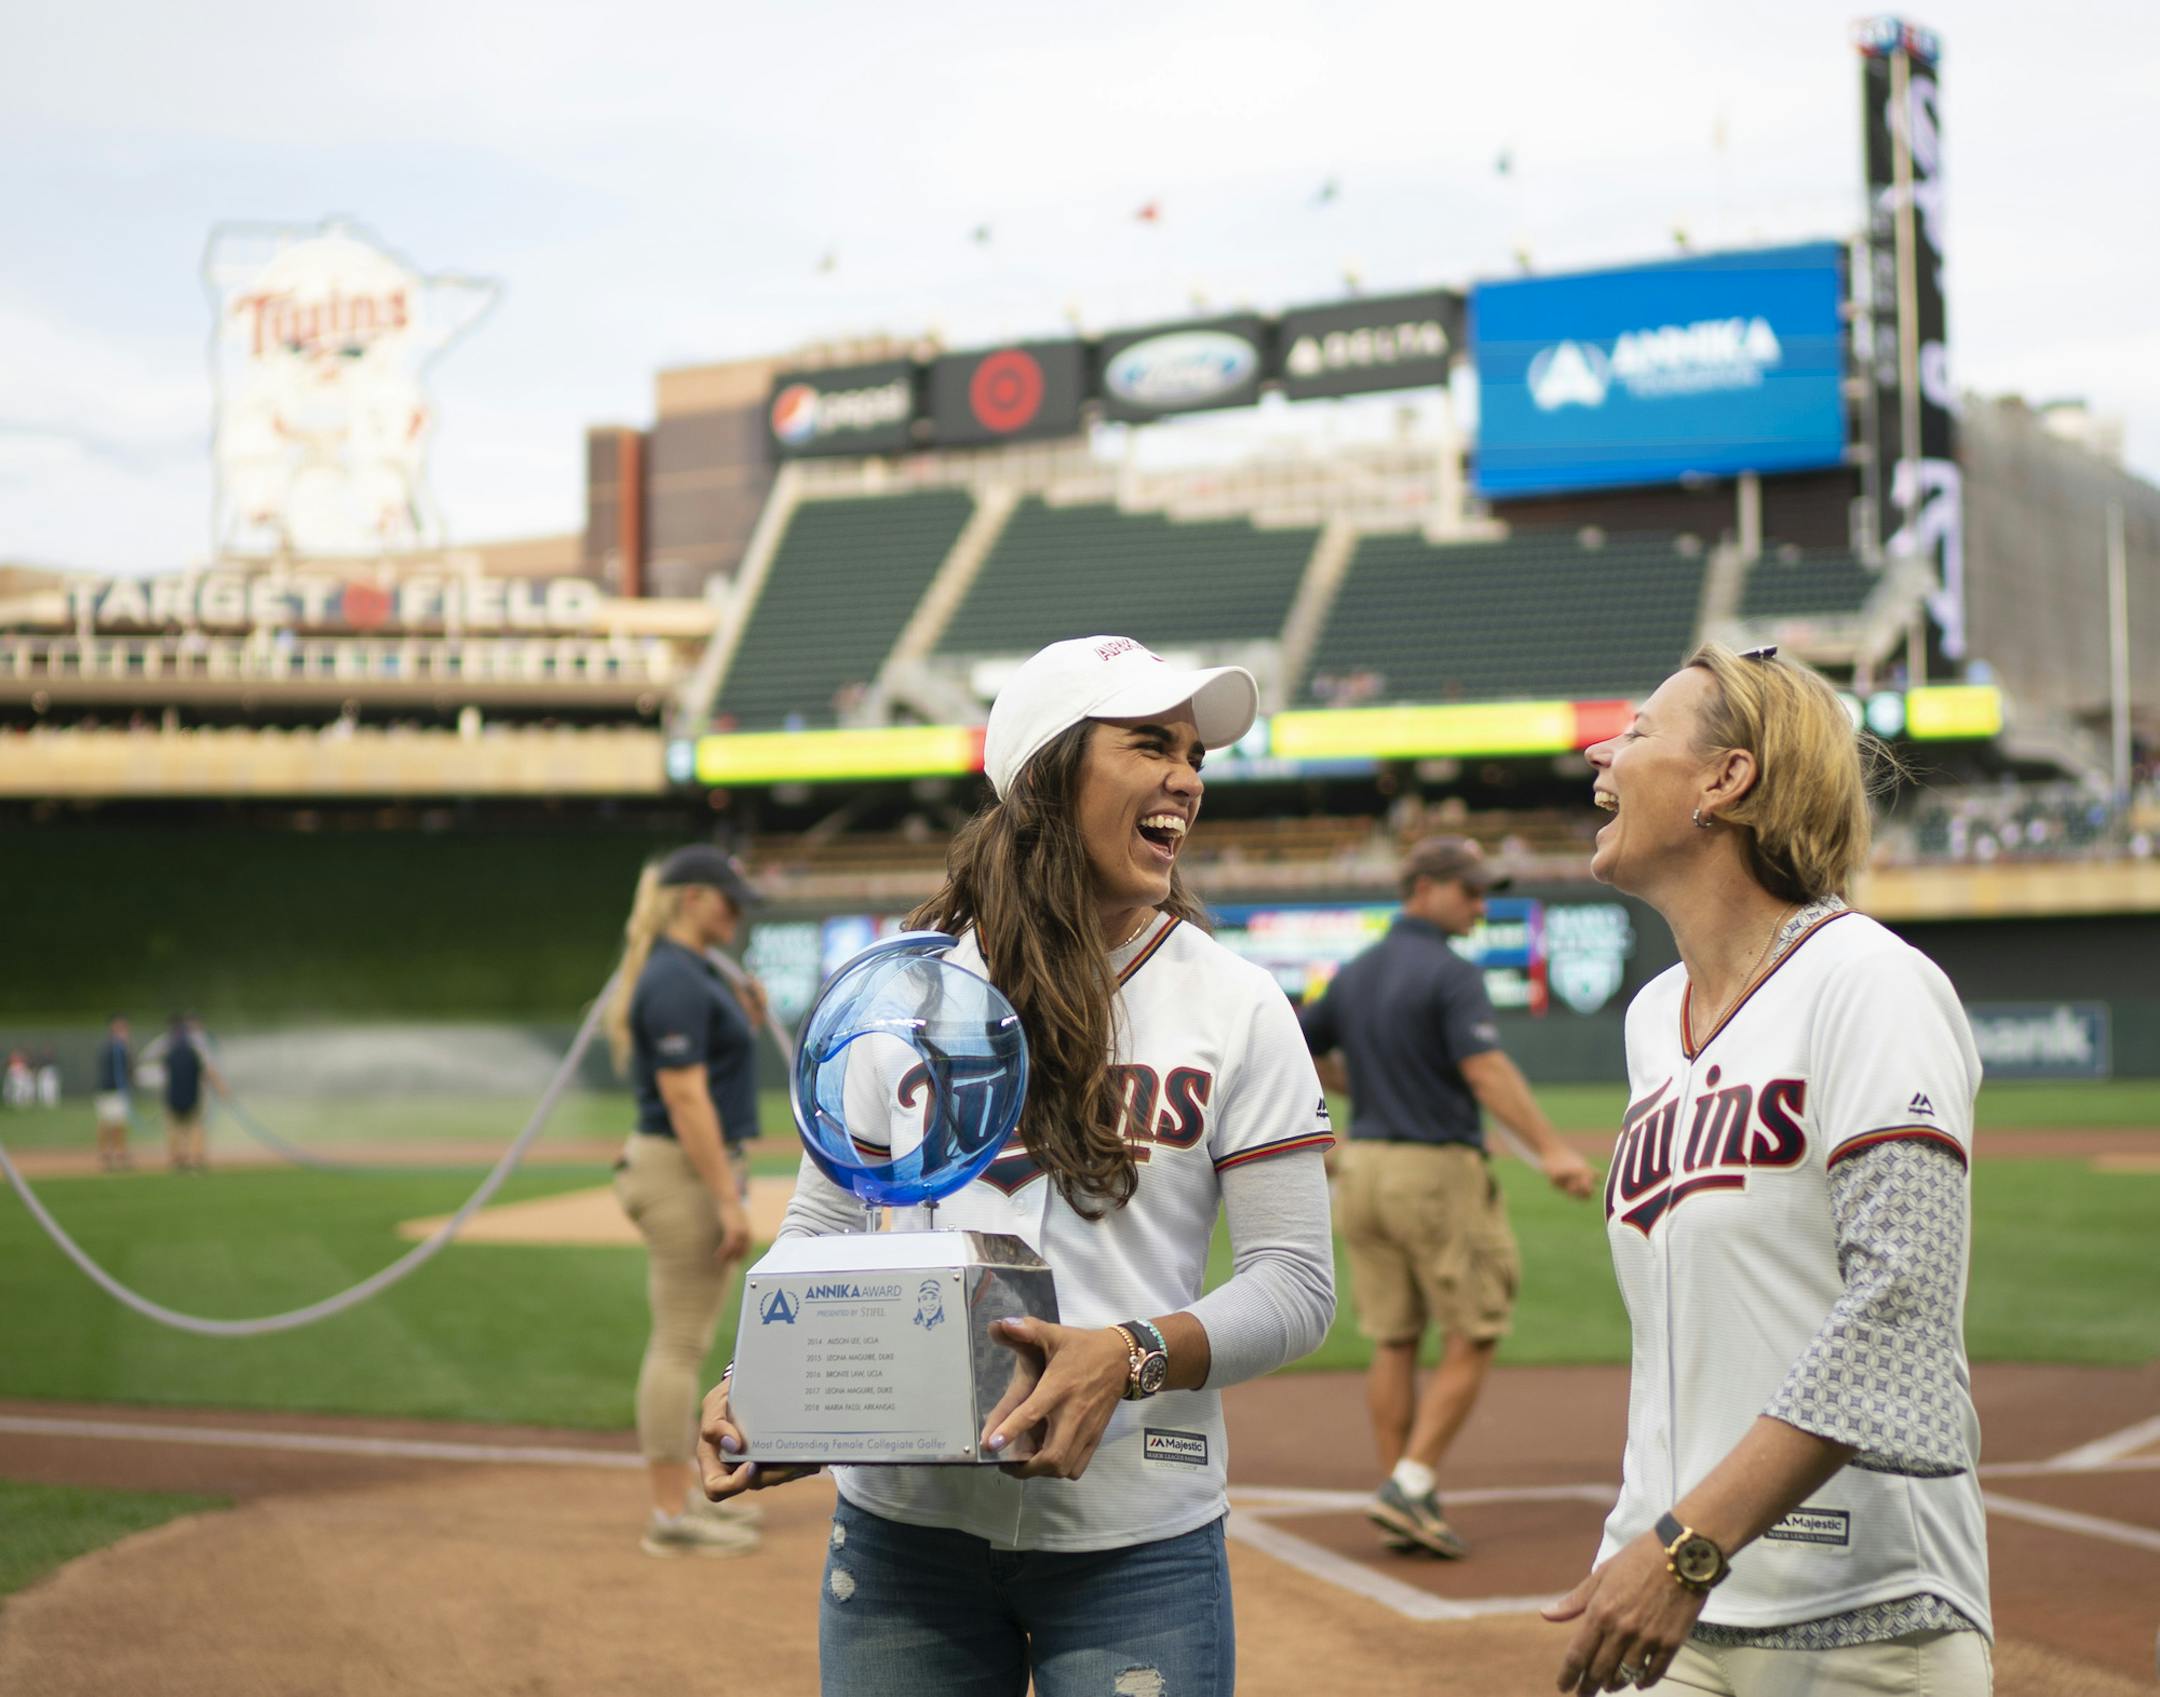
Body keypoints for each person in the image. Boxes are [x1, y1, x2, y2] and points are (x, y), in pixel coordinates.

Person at [699, 635, 1337, 1697]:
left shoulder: (1235, 1001)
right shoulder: (899, 993)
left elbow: (1297, 1283)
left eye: (1195, 753)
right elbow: (822, 1229)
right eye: (1149, 743)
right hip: (906, 1536)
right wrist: (766, 1382)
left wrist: (1129, 1352)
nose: (1187, 774)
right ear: (1048, 774)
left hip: (1138, 1540)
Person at [1545, 644, 1991, 1695]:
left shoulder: (1871, 982)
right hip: (1672, 1592)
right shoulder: (1654, 1015)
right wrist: (1657, 1535)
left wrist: (1690, 1541)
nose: (1606, 753)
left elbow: (1901, 1304)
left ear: (1726, 779)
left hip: (1863, 1614)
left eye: (1641, 731)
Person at [1299, 835, 1596, 1560]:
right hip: (1433, 1171)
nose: (1477, 903)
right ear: (1424, 888)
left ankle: (1402, 1485)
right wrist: (1553, 1150)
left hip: (1361, 1167)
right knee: (1477, 1327)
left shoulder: (1357, 971)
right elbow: (1488, 1071)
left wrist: (1355, 1088)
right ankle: (1411, 1479)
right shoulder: (1451, 972)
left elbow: (1298, 1047)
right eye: (1467, 890)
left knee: (1396, 1337)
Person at [605, 843, 770, 1559]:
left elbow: (716, 1072)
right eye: (727, 897)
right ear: (690, 897)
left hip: (684, 1167)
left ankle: (679, 1507)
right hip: (680, 1171)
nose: (737, 911)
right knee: (678, 1345)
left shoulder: (687, 970)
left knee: (685, 1341)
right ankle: (671, 1515)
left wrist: (749, 1018)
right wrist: (727, 1201)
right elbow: (684, 1094)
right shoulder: (672, 975)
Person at [162, 1015, 228, 1172]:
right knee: (196, 1127)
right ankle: (196, 1159)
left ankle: (177, 1159)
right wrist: (221, 1088)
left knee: (175, 1129)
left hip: (173, 1096)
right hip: (192, 1096)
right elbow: (208, 1071)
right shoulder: (196, 1050)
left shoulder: (169, 1050)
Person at [94, 1016, 133, 1172]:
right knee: (111, 1124)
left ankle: (116, 1154)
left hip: (115, 1091)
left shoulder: (119, 1048)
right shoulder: (114, 1048)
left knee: (116, 1124)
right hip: (110, 1091)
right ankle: (111, 1154)